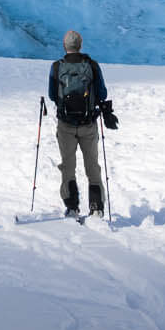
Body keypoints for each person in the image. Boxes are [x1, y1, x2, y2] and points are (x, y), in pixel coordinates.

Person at [48, 30, 115, 216]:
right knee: (92, 165)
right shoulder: (92, 65)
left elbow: (53, 95)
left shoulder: (56, 67)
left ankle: (72, 206)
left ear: (65, 46)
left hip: (65, 125)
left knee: (68, 166)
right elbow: (102, 93)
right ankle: (96, 207)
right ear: (80, 44)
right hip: (88, 125)